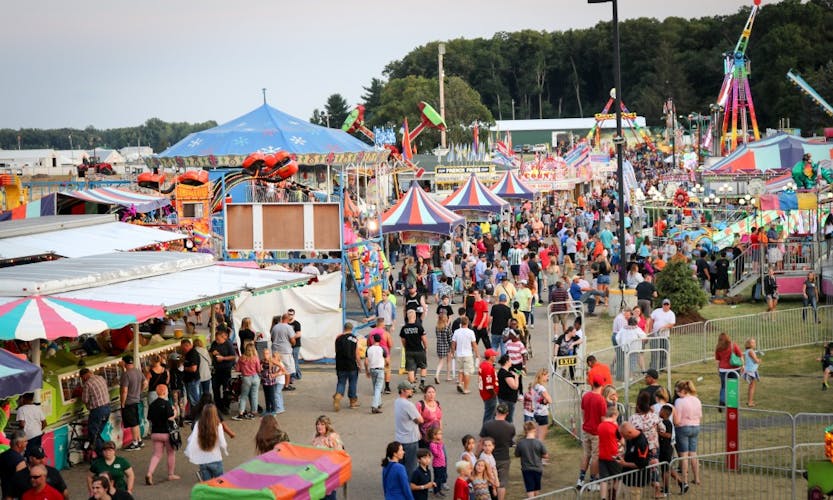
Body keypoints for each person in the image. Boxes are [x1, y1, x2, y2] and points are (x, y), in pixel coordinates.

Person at [478, 403, 515, 500]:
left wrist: (476, 455)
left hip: (487, 457)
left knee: (486, 480)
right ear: (507, 413)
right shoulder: (510, 427)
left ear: (496, 412)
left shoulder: (487, 425)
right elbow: (510, 442)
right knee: (501, 483)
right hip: (504, 458)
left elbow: (481, 442)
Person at [145, 385, 179, 485]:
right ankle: (171, 474)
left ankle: (149, 473)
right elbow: (170, 418)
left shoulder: (152, 405)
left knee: (156, 455)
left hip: (155, 433)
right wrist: (175, 413)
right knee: (170, 453)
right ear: (165, 392)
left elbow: (149, 418)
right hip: (167, 433)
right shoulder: (167, 404)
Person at [185, 403, 228, 480]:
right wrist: (225, 450)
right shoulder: (218, 425)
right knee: (220, 484)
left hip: (203, 461)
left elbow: (192, 439)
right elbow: (222, 442)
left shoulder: (198, 424)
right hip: (216, 458)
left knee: (207, 486)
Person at [577, 376, 606, 489]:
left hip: (586, 429)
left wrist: (586, 423)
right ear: (601, 385)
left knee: (586, 454)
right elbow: (603, 419)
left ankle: (581, 479)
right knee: (595, 456)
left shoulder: (586, 396)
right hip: (596, 432)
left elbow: (583, 412)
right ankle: (593, 481)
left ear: (592, 384)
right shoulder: (601, 400)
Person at [673, 380, 702, 493]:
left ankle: (684, 479)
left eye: (678, 391)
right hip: (696, 426)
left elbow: (678, 419)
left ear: (683, 391)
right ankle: (697, 478)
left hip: (683, 428)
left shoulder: (679, 401)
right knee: (693, 453)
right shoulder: (697, 399)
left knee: (684, 455)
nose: (677, 394)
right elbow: (700, 415)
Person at [394, 381, 423, 477]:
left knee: (401, 465)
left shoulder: (397, 402)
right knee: (411, 467)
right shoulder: (408, 404)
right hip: (410, 440)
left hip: (400, 439)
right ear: (403, 391)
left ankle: (401, 485)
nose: (411, 391)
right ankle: (410, 488)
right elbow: (420, 420)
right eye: (409, 389)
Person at [617, 422, 651, 498]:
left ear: (630, 432)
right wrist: (623, 455)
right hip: (625, 477)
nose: (624, 438)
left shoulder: (641, 443)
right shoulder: (631, 437)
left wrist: (624, 464)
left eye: (624, 436)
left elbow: (642, 464)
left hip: (635, 481)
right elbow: (629, 451)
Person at [119, 355, 146, 451]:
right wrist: (139, 392)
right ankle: (139, 440)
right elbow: (145, 382)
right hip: (136, 400)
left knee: (133, 423)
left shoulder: (126, 375)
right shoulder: (138, 371)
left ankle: (135, 442)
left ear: (124, 362)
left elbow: (124, 390)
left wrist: (122, 402)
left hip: (129, 402)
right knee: (136, 422)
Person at [515, 421, 548, 498]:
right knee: (536, 487)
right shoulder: (539, 442)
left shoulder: (521, 443)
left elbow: (517, 454)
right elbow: (546, 455)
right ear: (534, 429)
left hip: (526, 469)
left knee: (530, 488)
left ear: (525, 430)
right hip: (538, 468)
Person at [334, 322, 362, 411]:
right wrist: (360, 364)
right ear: (352, 329)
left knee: (341, 382)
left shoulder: (338, 338)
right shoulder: (354, 339)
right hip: (351, 365)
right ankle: (352, 402)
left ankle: (338, 395)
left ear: (344, 328)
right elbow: (357, 354)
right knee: (352, 383)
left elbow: (336, 351)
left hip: (340, 364)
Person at [400, 310, 429, 392]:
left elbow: (403, 340)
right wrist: (426, 347)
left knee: (411, 369)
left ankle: (412, 386)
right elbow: (424, 339)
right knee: (423, 366)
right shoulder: (419, 327)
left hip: (409, 350)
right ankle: (422, 383)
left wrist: (405, 347)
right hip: (419, 350)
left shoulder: (404, 328)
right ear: (415, 317)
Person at [596, 406, 621, 500]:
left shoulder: (600, 425)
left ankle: (603, 498)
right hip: (613, 455)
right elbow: (621, 440)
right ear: (614, 415)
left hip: (602, 455)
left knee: (604, 479)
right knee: (618, 476)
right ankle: (614, 494)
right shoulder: (614, 426)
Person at [233, 342, 261, 420]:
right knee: (254, 396)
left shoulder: (241, 358)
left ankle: (241, 413)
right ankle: (253, 413)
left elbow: (237, 369)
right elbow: (259, 369)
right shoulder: (255, 358)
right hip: (255, 378)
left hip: (246, 378)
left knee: (243, 396)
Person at [714, 332, 743, 408]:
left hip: (723, 370)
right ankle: (732, 403)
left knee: (723, 386)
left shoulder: (718, 348)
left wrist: (718, 370)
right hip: (734, 369)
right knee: (734, 385)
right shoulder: (733, 345)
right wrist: (743, 365)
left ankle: (722, 400)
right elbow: (740, 355)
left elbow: (718, 360)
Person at [451, 316, 478, 394]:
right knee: (467, 372)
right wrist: (477, 354)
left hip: (459, 354)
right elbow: (474, 344)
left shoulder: (456, 331)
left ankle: (460, 383)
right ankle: (466, 388)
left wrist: (453, 352)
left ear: (460, 323)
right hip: (468, 354)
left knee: (460, 370)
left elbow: (453, 343)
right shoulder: (470, 332)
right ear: (468, 323)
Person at [648, 298, 676, 371]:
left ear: (670, 305)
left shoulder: (671, 314)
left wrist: (664, 327)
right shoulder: (657, 311)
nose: (666, 306)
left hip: (665, 336)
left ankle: (662, 367)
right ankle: (653, 368)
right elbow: (651, 320)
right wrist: (650, 330)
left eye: (667, 305)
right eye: (664, 304)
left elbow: (672, 324)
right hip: (655, 335)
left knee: (663, 352)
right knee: (654, 352)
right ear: (662, 305)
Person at [270, 314, 296, 390]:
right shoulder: (289, 327)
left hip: (275, 351)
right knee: (287, 368)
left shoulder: (275, 327)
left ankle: (276, 384)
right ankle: (286, 385)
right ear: (287, 319)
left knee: (276, 368)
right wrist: (293, 343)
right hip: (285, 351)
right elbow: (292, 340)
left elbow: (272, 338)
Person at [14, 393, 45, 458]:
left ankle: (29, 467)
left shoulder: (21, 409)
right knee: (37, 454)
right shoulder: (37, 408)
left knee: (29, 455)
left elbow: (22, 424)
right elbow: (44, 423)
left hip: (29, 436)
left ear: (23, 398)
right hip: (38, 434)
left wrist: (18, 433)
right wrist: (39, 429)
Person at [526, 369, 552, 441]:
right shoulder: (541, 388)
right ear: (542, 376)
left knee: (536, 435)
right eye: (547, 376)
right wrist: (547, 399)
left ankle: (534, 449)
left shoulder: (535, 386)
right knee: (541, 438)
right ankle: (538, 450)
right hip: (542, 413)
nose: (547, 378)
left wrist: (544, 400)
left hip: (536, 412)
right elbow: (550, 400)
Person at [1, 431, 28, 499]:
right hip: (16, 496)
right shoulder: (20, 461)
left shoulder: (2, 455)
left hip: (6, 494)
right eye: (25, 441)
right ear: (19, 444)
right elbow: (22, 483)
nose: (27, 443)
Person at [365, 333, 387, 414]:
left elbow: (366, 362)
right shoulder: (382, 349)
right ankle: (375, 406)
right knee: (378, 388)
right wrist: (387, 365)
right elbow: (387, 360)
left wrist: (367, 371)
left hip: (372, 369)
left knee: (375, 387)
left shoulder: (368, 349)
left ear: (373, 339)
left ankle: (379, 403)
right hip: (380, 369)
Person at [261, 349, 287, 416]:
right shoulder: (262, 360)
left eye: (267, 353)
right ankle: (267, 410)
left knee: (272, 396)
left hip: (270, 381)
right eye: (264, 353)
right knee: (266, 396)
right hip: (264, 381)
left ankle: (273, 410)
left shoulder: (272, 360)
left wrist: (275, 374)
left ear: (269, 354)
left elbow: (283, 369)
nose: (265, 355)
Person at [495, 355, 520, 423]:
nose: (511, 362)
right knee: (508, 419)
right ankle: (507, 431)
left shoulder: (501, 371)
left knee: (504, 416)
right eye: (510, 360)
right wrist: (516, 377)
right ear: (507, 362)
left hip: (502, 397)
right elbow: (514, 386)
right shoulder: (506, 374)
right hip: (508, 399)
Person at [180, 338, 201, 411]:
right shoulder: (188, 354)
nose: (182, 349)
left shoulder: (193, 354)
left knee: (194, 398)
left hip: (192, 380)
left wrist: (184, 368)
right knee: (191, 398)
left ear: (187, 345)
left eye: (183, 347)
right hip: (190, 380)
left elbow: (193, 368)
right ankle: (193, 414)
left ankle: (197, 415)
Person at [478, 349, 499, 423]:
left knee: (490, 413)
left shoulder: (483, 364)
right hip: (489, 395)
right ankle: (486, 431)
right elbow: (489, 386)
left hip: (484, 392)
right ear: (490, 357)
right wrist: (494, 394)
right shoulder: (488, 368)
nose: (495, 357)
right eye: (494, 355)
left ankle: (489, 429)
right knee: (489, 414)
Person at [433, 310, 453, 385]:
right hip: (447, 346)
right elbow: (450, 339)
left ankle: (441, 375)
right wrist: (452, 348)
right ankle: (443, 375)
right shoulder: (447, 328)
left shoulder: (437, 327)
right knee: (447, 361)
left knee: (441, 360)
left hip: (439, 345)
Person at [426, 427, 446, 495]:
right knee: (437, 478)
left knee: (441, 478)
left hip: (442, 463)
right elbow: (437, 454)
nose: (441, 435)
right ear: (434, 435)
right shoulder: (432, 444)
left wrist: (439, 443)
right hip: (437, 464)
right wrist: (439, 445)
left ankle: (439, 489)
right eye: (439, 434)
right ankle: (436, 490)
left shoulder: (439, 443)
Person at [743, 338, 762, 407]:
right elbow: (755, 360)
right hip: (750, 371)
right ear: (749, 344)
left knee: (751, 386)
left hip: (750, 370)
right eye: (753, 343)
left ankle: (750, 400)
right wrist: (759, 360)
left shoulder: (747, 351)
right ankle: (750, 402)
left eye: (754, 342)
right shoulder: (751, 351)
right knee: (752, 386)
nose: (754, 344)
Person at [287, 308, 303, 387]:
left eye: (291, 314)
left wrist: (290, 338)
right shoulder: (285, 323)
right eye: (289, 314)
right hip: (288, 345)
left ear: (294, 315)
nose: (290, 316)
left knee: (294, 361)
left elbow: (299, 334)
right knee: (291, 361)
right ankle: (298, 375)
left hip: (296, 345)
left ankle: (292, 377)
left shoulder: (296, 324)